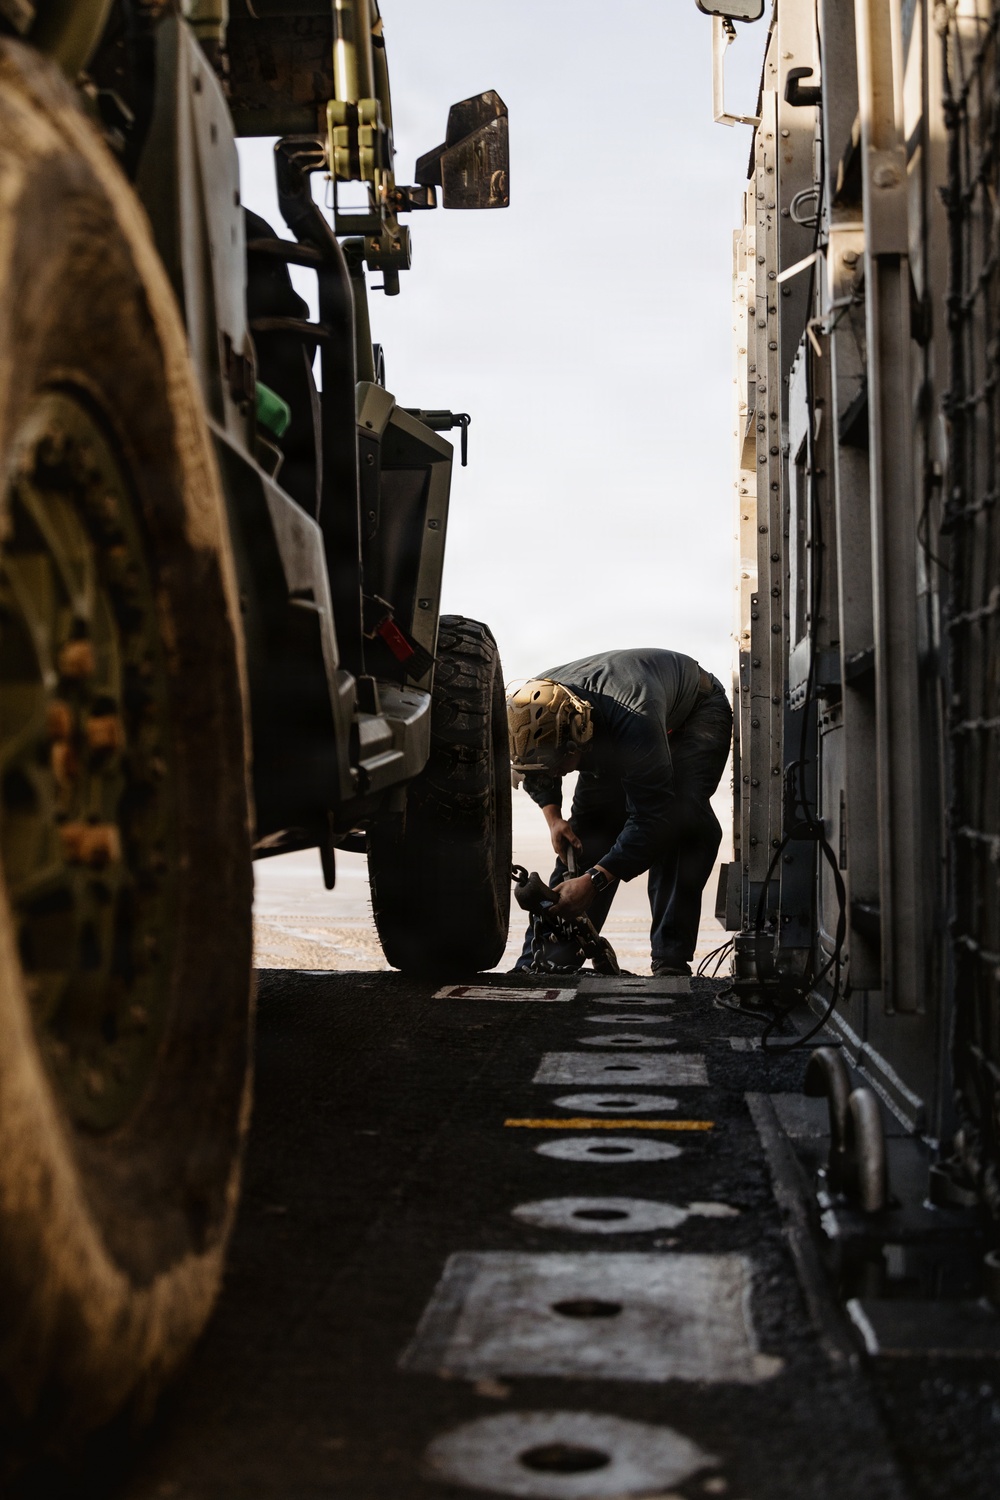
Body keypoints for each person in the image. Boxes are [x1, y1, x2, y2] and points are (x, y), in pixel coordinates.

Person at [507, 648, 732, 976]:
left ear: (579, 739)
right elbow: (537, 769)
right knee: (588, 833)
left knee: (682, 819)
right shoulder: (535, 708)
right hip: (616, 720)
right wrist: (555, 820)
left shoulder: (634, 717)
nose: (555, 774)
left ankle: (670, 960)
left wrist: (596, 880)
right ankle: (546, 960)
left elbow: (653, 818)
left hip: (693, 712)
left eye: (559, 766)